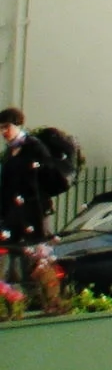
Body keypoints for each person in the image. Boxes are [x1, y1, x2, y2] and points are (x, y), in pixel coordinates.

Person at [0, 108, 60, 282]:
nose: (3, 132)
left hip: (33, 213)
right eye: (0, 128)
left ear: (18, 125)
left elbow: (47, 179)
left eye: (6, 127)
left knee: (35, 259)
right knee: (12, 257)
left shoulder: (34, 147)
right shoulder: (9, 152)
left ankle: (40, 297)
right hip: (13, 213)